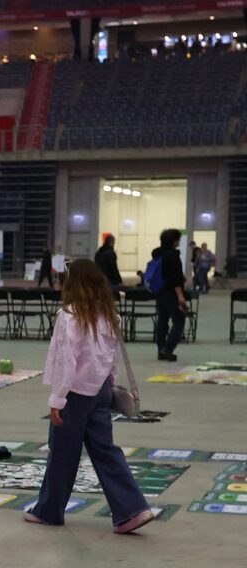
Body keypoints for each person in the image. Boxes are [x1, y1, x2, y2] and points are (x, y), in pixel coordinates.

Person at [25, 259, 155, 535]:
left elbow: (66, 362)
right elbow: (112, 356)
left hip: (75, 394)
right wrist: (109, 384)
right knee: (106, 450)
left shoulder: (70, 316)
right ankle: (133, 509)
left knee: (62, 452)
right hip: (101, 390)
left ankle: (49, 511)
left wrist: (57, 400)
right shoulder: (108, 314)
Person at [152, 228, 188, 361]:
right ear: (174, 241)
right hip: (171, 292)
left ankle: (161, 349)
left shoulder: (158, 254)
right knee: (179, 320)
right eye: (178, 239)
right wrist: (180, 296)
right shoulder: (172, 255)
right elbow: (174, 278)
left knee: (162, 320)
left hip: (160, 292)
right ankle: (168, 349)